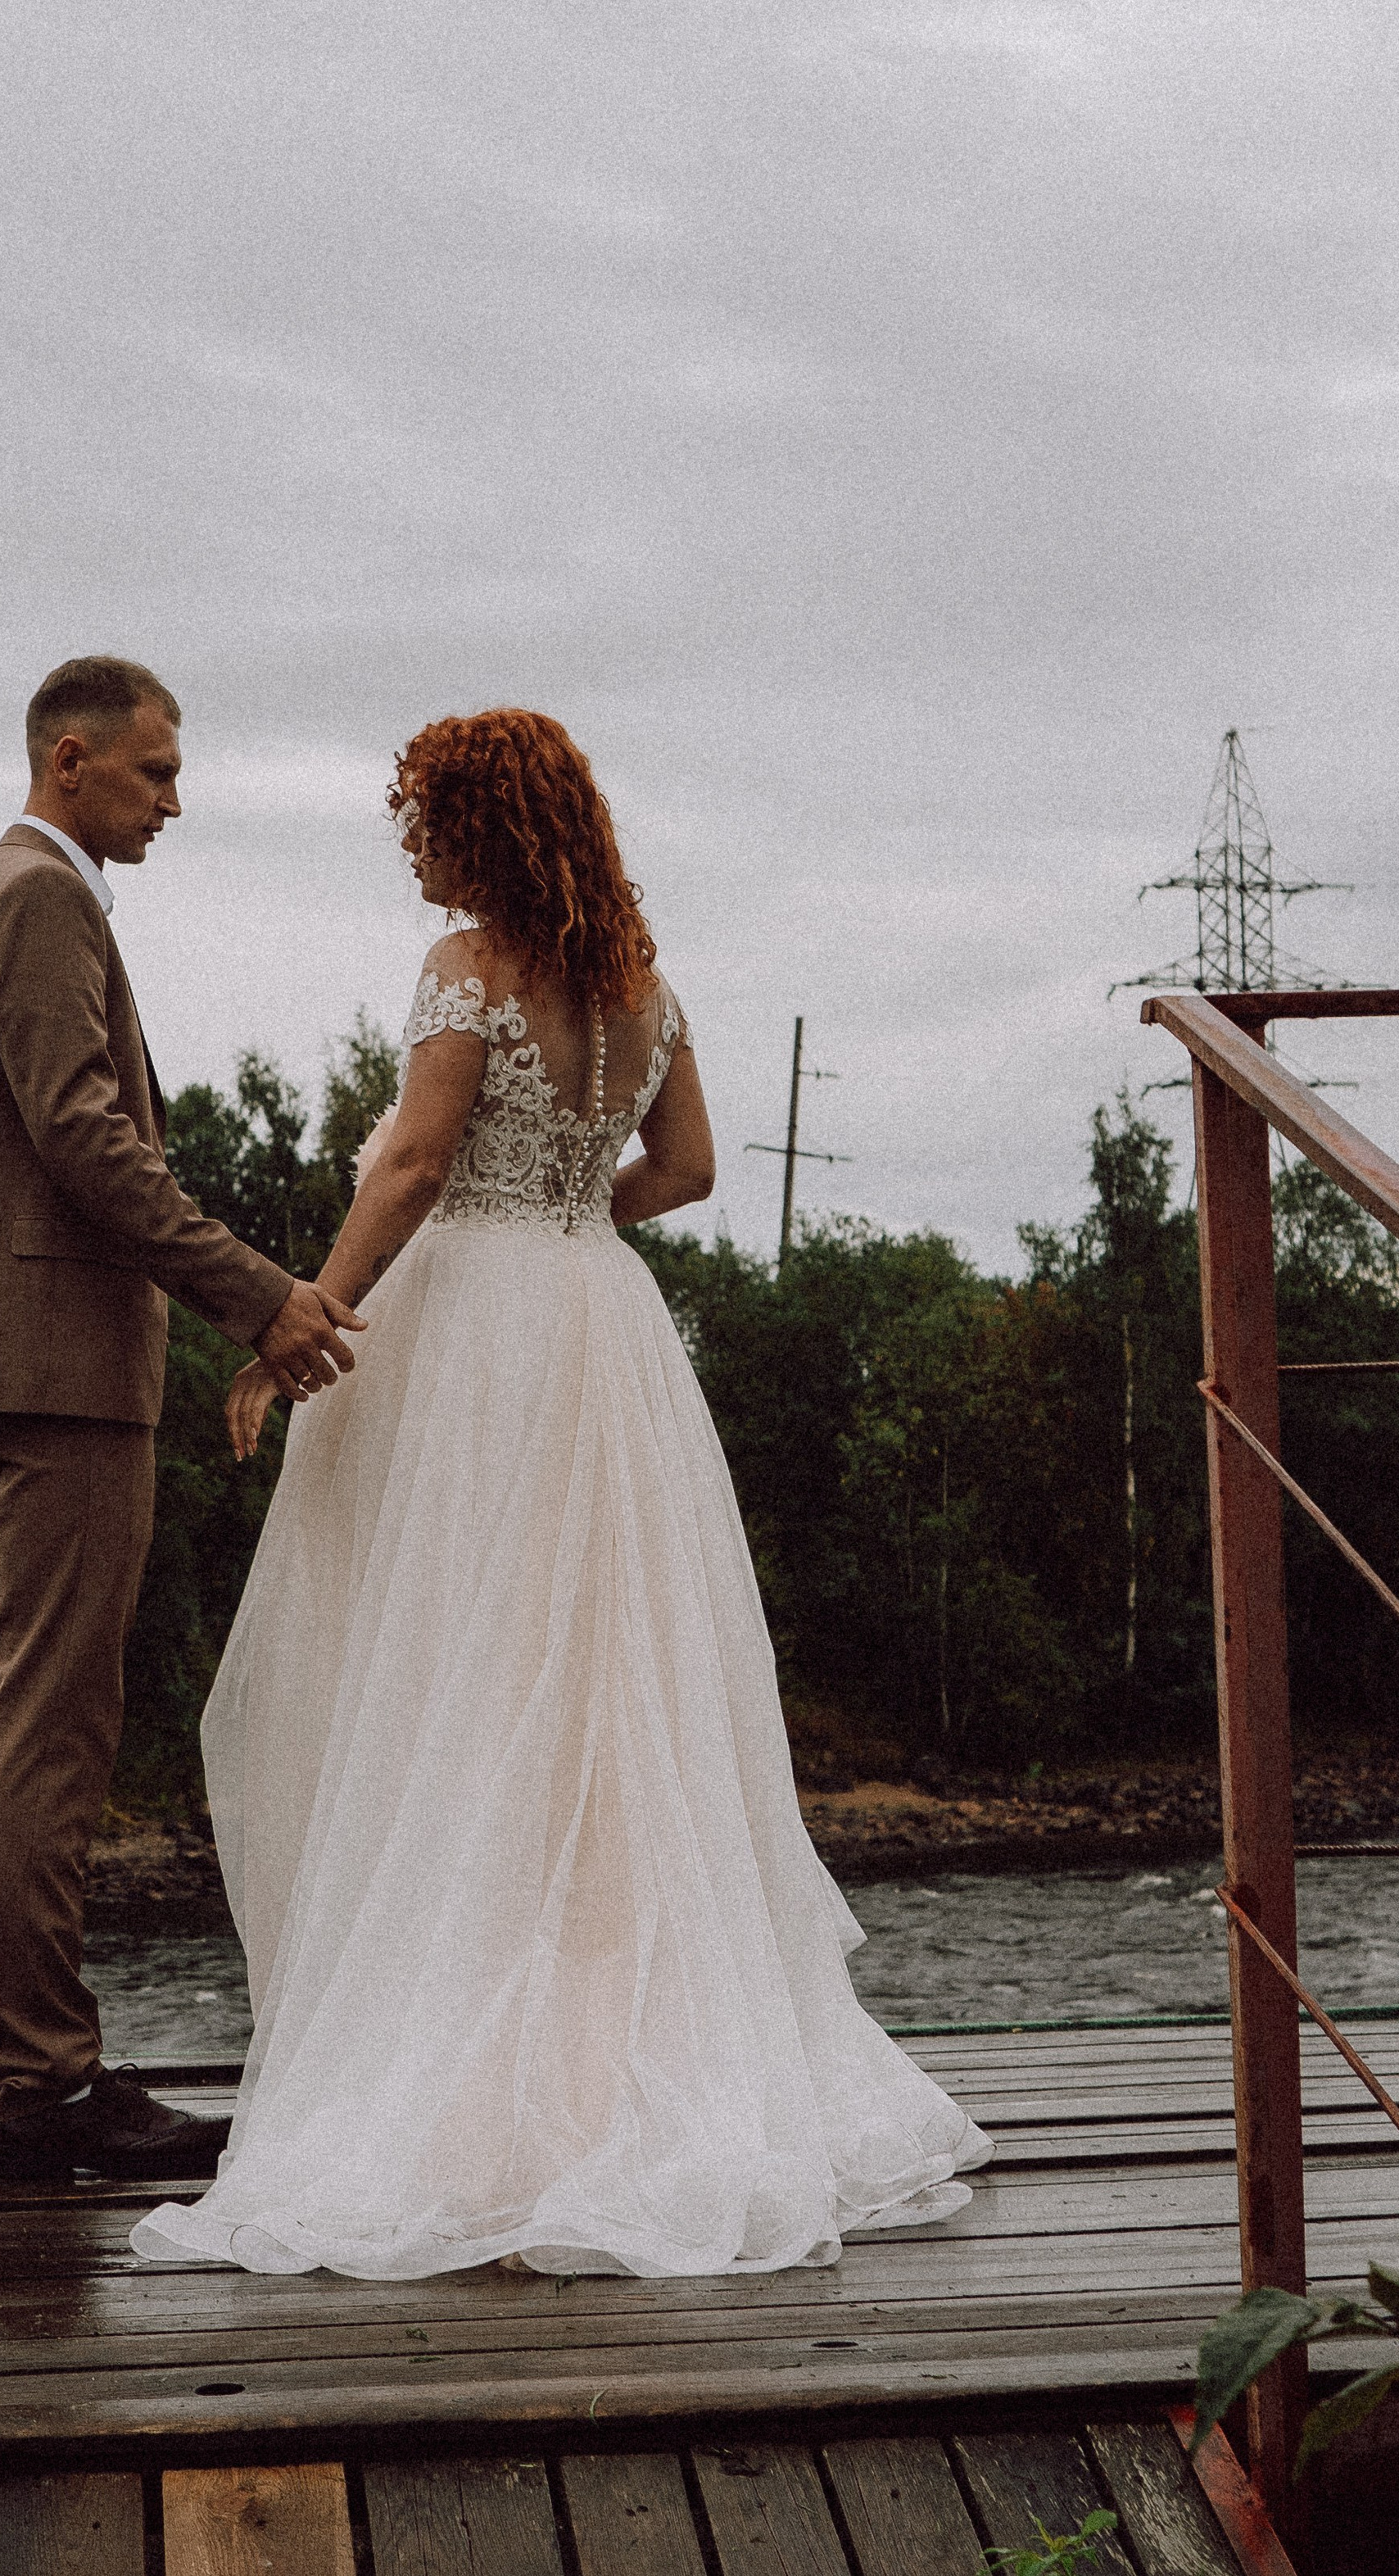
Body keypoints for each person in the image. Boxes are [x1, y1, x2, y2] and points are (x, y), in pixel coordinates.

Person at [133, 708, 989, 2278]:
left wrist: (300, 1321)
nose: (415, 848)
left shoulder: (470, 968)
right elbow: (694, 1168)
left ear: (487, 828)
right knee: (601, 1687)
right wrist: (577, 1202)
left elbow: (408, 1162)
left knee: (448, 1673)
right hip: (602, 1318)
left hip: (476, 1335)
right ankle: (613, 2060)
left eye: (428, 820)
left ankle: (473, 2086)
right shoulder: (641, 985)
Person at [0, 655, 366, 2178]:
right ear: (72, 759)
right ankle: (47, 2084)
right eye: (156, 771)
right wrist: (257, 1294)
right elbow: (84, 1136)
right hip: (57, 1363)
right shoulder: (40, 900)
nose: (176, 798)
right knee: (49, 1727)